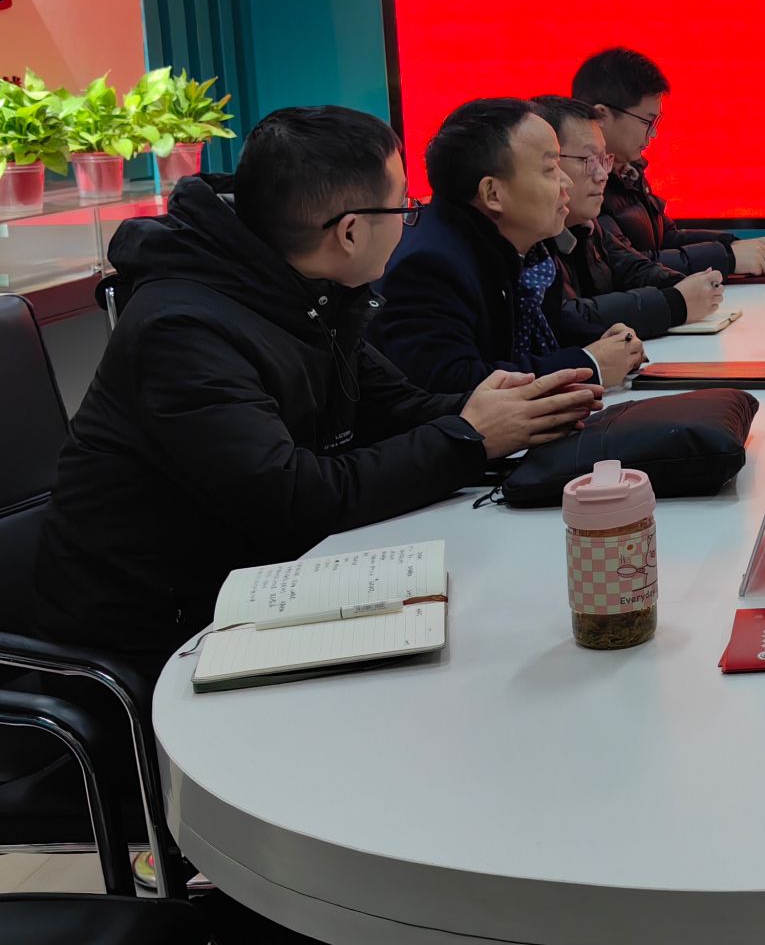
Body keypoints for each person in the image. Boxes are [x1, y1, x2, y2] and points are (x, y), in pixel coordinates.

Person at [31, 106, 602, 668]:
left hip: (264, 580)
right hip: (163, 633)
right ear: (350, 232)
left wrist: (508, 410)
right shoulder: (182, 329)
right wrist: (469, 436)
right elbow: (291, 499)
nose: (412, 220)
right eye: (404, 206)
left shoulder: (308, 289)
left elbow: (394, 406)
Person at [370, 98, 646, 393]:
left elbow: (541, 325)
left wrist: (605, 342)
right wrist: (590, 364)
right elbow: (452, 382)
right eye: (550, 168)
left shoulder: (529, 250)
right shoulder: (429, 267)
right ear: (492, 193)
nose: (566, 182)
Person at [569, 46, 765, 276]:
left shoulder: (628, 171)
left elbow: (666, 238)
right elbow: (626, 267)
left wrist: (734, 244)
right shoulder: (582, 183)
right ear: (602, 115)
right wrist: (728, 257)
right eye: (647, 121)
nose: (654, 133)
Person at [530, 94, 724, 340]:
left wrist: (691, 283)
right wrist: (674, 302)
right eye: (588, 160)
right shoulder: (528, 238)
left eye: (604, 160)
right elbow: (564, 320)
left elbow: (630, 267)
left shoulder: (585, 224)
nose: (602, 175)